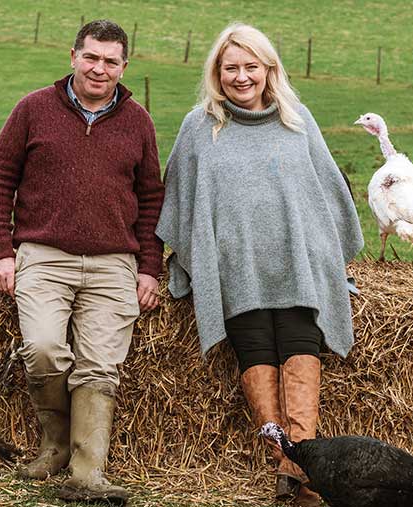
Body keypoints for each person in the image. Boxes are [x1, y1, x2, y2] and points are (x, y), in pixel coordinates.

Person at [156, 23, 363, 507]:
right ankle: (286, 464)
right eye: (231, 68)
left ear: (269, 70)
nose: (241, 77)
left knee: (298, 345)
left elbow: (326, 190)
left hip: (297, 263)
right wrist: (196, 259)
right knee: (255, 353)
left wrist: (327, 252)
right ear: (217, 72)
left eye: (251, 67)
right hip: (236, 268)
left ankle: (300, 474)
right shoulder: (198, 126)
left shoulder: (297, 119)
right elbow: (181, 199)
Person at [0, 19, 164, 503]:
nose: (99, 68)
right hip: (44, 254)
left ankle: (88, 472)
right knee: (42, 348)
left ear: (125, 66)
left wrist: (149, 267)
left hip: (113, 263)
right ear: (73, 56)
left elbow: (151, 198)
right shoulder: (34, 109)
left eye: (110, 61)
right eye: (91, 57)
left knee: (99, 367)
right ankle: (54, 448)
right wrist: (1, 253)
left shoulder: (138, 121)